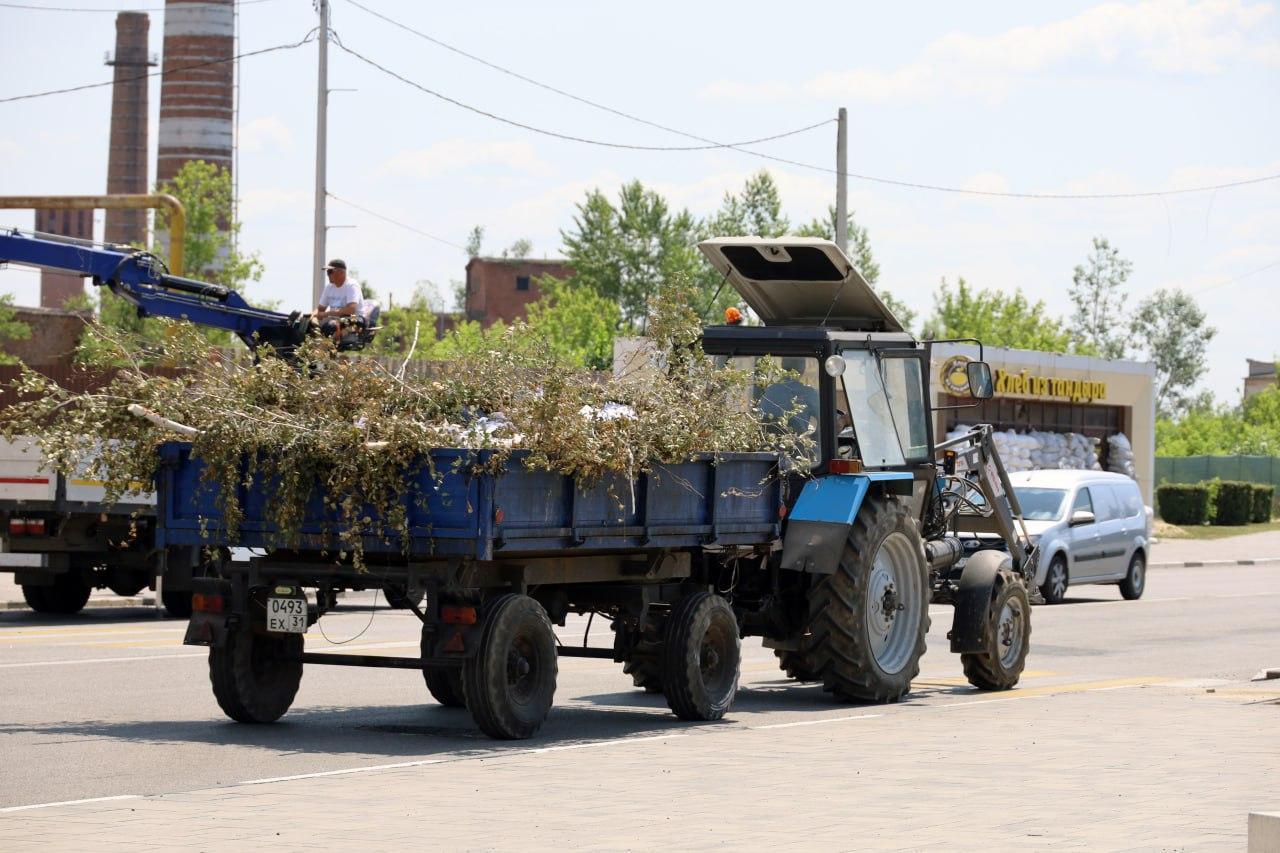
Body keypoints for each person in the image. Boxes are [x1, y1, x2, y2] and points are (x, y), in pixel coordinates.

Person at [313, 259, 363, 339]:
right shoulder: (329, 287)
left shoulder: (351, 285)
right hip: (335, 319)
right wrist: (311, 318)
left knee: (330, 327)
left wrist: (328, 313)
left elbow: (351, 310)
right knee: (307, 327)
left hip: (354, 319)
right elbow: (320, 309)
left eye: (330, 272)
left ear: (341, 272)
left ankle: (328, 347)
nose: (328, 275)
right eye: (327, 272)